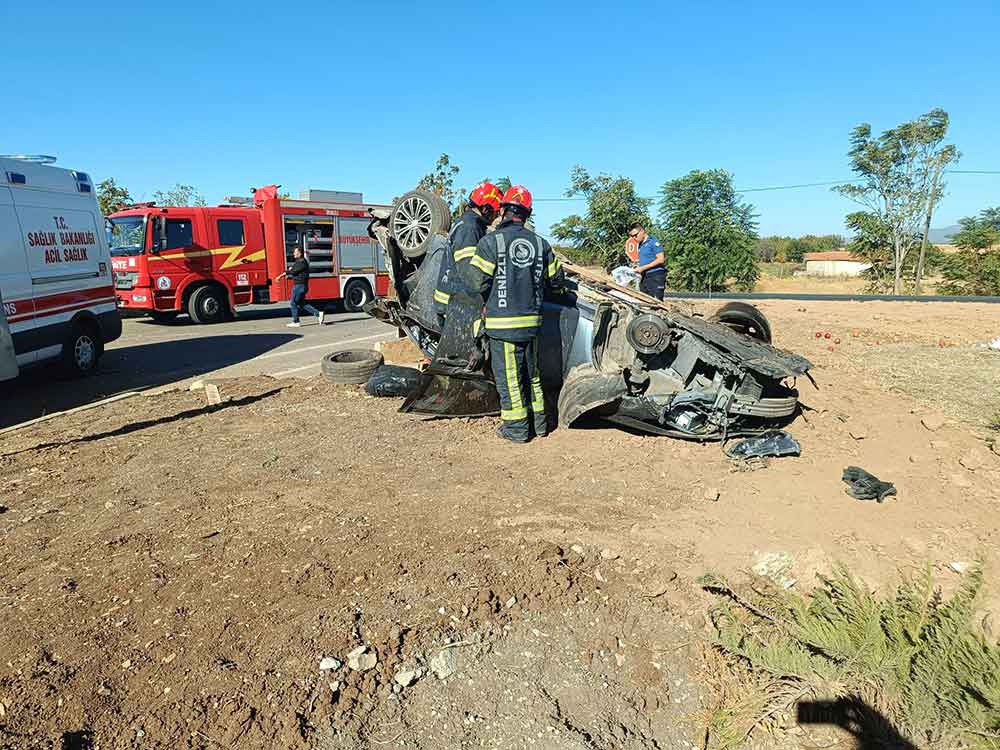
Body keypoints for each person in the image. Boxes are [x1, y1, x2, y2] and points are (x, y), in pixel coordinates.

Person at [468, 185, 566, 443]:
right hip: (532, 323)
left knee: (510, 378)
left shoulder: (491, 242)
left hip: (503, 325)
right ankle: (540, 425)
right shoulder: (541, 244)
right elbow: (556, 280)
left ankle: (517, 430)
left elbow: (477, 282)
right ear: (528, 213)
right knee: (532, 376)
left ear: (503, 210)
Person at [434, 182, 503, 324]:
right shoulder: (469, 228)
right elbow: (470, 274)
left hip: (453, 299)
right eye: (495, 213)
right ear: (485, 209)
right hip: (455, 303)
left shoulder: (467, 222)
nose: (496, 217)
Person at [277, 246, 325, 327]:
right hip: (301, 285)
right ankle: (318, 314)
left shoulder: (301, 262)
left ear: (299, 253)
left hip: (299, 286)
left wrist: (280, 276)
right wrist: (291, 270)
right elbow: (294, 271)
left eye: (295, 252)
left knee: (293, 303)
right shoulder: (300, 261)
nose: (293, 254)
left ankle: (296, 321)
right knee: (302, 303)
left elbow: (293, 271)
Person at [630, 223, 666, 300]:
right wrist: (637, 266)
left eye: (635, 235)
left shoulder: (653, 242)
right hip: (644, 277)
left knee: (656, 302)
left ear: (642, 231)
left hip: (655, 276)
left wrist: (643, 268)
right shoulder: (640, 245)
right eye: (632, 236)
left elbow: (661, 259)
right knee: (644, 301)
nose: (634, 238)